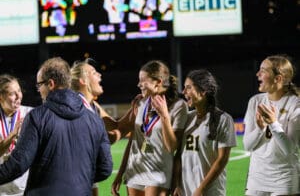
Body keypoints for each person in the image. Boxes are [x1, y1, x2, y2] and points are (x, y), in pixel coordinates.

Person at [0, 57, 113, 196]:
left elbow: (17, 166)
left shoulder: (36, 117)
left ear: (51, 84)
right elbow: (105, 168)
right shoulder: (95, 120)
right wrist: (78, 180)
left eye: (39, 85)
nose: (39, 90)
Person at [111, 60, 188, 196]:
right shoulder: (140, 102)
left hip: (158, 173)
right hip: (134, 171)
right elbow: (132, 142)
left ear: (157, 82)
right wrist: (120, 173)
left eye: (142, 80)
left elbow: (172, 147)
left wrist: (164, 116)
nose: (138, 84)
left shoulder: (179, 106)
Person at [70, 58, 134, 196]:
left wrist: (134, 109)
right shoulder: (76, 107)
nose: (99, 74)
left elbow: (115, 126)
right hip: (73, 176)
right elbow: (108, 138)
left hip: (86, 171)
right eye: (93, 72)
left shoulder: (91, 105)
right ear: (83, 81)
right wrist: (135, 118)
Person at [172, 69, 237, 196]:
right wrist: (177, 185)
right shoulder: (187, 118)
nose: (184, 92)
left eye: (188, 88)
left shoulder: (223, 119)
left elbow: (222, 159)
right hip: (185, 191)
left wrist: (201, 189)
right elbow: (179, 155)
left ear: (203, 91)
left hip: (210, 191)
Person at [243, 55, 300, 196]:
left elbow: (289, 149)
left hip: (284, 180)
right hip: (256, 179)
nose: (258, 74)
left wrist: (273, 123)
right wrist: (260, 128)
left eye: (263, 70)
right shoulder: (255, 101)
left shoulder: (295, 104)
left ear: (278, 79)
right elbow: (248, 146)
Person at [0, 74, 33, 196]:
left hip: (24, 188)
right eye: (12, 93)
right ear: (1, 97)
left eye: (19, 91)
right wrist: (13, 134)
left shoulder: (30, 114)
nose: (19, 96)